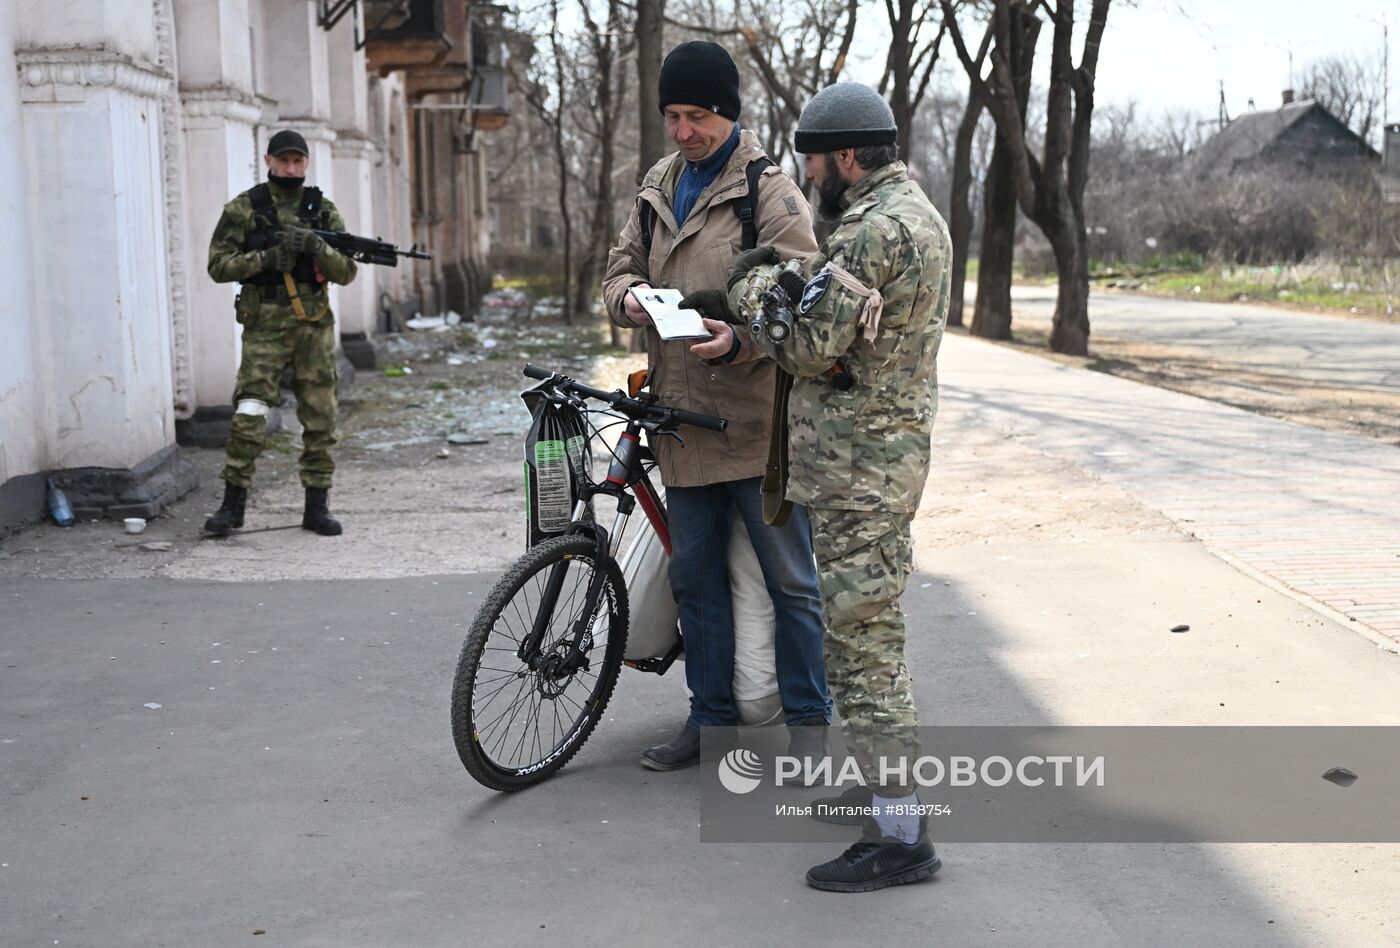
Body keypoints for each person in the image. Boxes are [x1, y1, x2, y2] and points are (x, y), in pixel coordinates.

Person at [701, 82, 952, 891]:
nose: (807, 172)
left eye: (813, 156)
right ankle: (889, 798)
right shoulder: (913, 211)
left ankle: (902, 833)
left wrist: (748, 282)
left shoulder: (874, 231)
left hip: (861, 472)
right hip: (876, 461)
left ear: (847, 154)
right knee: (864, 634)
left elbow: (806, 344)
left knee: (863, 646)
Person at [602, 41, 831, 770]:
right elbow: (617, 270)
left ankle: (809, 727)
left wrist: (739, 338)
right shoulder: (657, 184)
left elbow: (804, 298)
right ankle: (710, 721)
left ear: (727, 112)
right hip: (680, 423)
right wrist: (629, 298)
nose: (681, 130)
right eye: (672, 115)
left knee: (790, 582)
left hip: (757, 430)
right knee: (694, 580)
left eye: (695, 115)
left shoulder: (770, 193)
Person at [204, 129, 358, 538]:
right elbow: (218, 266)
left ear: (306, 164)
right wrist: (265, 258)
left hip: (313, 327)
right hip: (264, 327)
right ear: (269, 160)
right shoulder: (244, 209)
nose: (291, 168)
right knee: (251, 412)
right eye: (284, 160)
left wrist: (316, 248)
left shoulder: (321, 210)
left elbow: (347, 271)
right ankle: (232, 506)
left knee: (321, 418)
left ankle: (317, 506)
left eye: (298, 161)